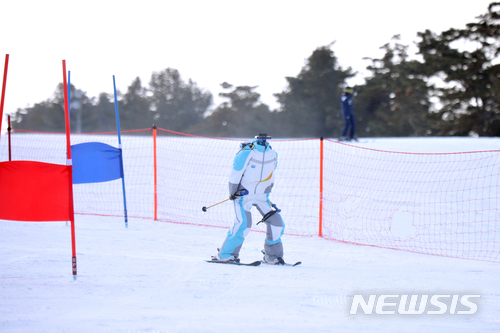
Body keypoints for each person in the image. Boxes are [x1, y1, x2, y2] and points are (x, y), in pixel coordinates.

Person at [214, 133, 286, 265]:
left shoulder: (273, 154)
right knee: (244, 225)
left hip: (262, 196)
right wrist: (233, 191)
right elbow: (236, 172)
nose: (263, 141)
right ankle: (225, 255)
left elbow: (271, 174)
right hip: (243, 195)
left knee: (277, 224)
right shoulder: (246, 153)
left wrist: (267, 190)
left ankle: (272, 256)